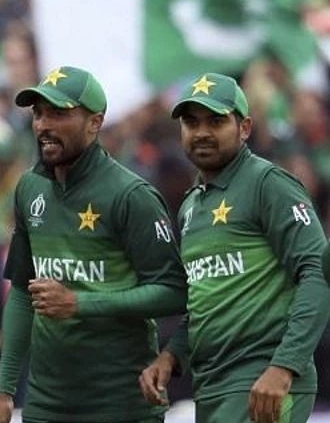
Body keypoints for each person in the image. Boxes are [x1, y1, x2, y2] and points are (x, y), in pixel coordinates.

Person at [0, 66, 187, 423]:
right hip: (45, 402)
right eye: (38, 113)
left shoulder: (131, 195)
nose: (43, 125)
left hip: (120, 401)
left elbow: (173, 291)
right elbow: (21, 291)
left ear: (95, 122)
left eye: (58, 114)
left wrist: (78, 303)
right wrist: (4, 390)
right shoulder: (30, 188)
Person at [139, 73, 330, 423]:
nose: (202, 132)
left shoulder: (268, 184)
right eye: (191, 122)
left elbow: (318, 272)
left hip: (264, 382)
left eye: (216, 121)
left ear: (244, 128)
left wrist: (284, 366)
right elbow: (204, 300)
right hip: (213, 385)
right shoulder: (191, 205)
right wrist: (171, 356)